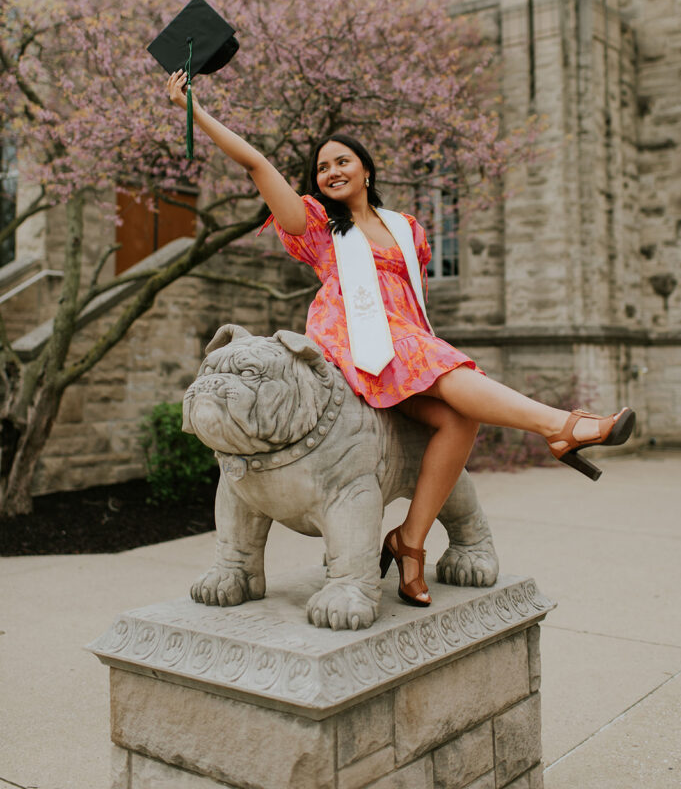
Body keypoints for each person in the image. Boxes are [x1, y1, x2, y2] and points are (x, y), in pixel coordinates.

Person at [166, 71, 635, 608]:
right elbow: (256, 165)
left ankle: (409, 542)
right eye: (321, 167)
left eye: (342, 160)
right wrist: (196, 112)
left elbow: (411, 302)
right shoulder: (319, 227)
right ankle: (563, 425)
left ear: (366, 169)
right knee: (452, 374)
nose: (331, 171)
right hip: (356, 342)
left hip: (407, 342)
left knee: (460, 417)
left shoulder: (406, 228)